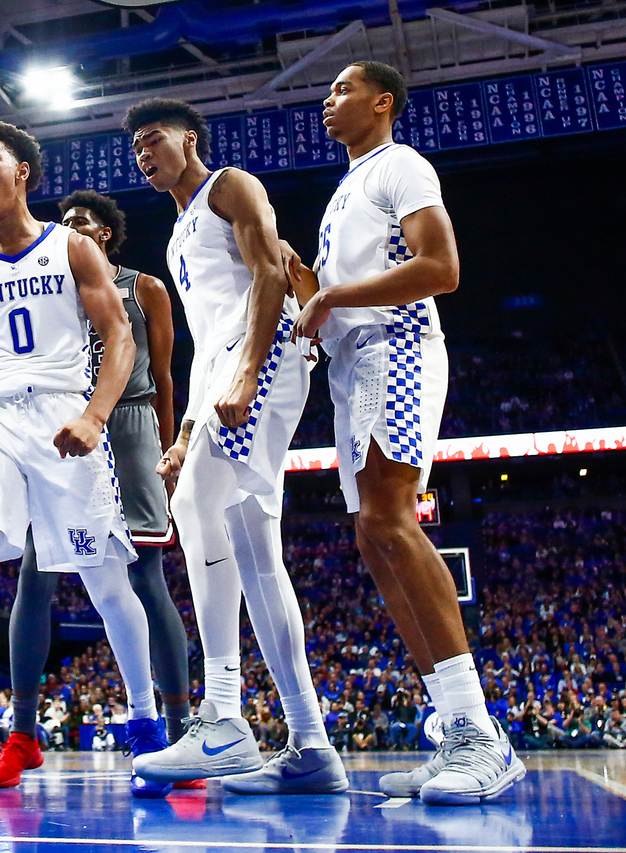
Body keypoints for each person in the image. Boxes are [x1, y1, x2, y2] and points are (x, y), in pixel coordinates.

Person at [0, 120, 169, 807]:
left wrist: (95, 415)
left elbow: (119, 337)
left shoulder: (75, 248)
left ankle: (146, 728)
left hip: (61, 414)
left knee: (110, 581)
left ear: (22, 173)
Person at [281, 60, 524, 805]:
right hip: (354, 364)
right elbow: (325, 297)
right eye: (327, 92)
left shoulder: (401, 166)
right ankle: (455, 727)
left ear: (382, 102)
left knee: (390, 517)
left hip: (401, 345)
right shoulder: (343, 193)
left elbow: (440, 267)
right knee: (370, 534)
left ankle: (481, 733)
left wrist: (332, 293)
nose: (328, 100)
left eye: (343, 89)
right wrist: (285, 268)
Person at [121, 99, 346, 795]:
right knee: (250, 543)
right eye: (135, 147)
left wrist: (249, 371)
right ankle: (310, 743)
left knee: (196, 510)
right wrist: (187, 430)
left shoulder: (231, 186)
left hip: (269, 347)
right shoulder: (176, 234)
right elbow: (206, 340)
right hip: (227, 368)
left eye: (153, 139)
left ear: (188, 139)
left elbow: (271, 277)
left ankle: (222, 716)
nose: (143, 153)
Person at [0, 190, 189, 790]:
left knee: (145, 576)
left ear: (106, 235)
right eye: (64, 222)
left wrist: (170, 446)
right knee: (34, 574)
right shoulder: (44, 284)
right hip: (59, 424)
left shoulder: (143, 287)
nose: (69, 228)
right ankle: (22, 733)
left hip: (129, 423)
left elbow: (166, 375)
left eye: (81, 223)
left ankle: (177, 736)